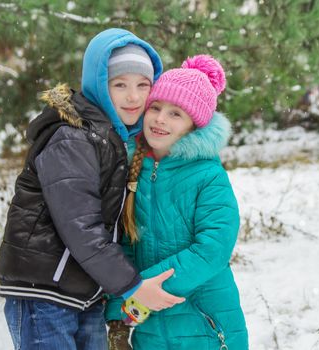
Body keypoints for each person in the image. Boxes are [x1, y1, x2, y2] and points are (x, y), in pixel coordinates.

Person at [0, 28, 184, 350]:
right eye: (119, 84)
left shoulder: (113, 139)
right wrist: (132, 285)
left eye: (143, 85)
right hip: (45, 291)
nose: (133, 97)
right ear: (98, 84)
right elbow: (80, 225)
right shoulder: (73, 137)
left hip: (84, 290)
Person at [105, 55, 249, 349]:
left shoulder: (208, 175)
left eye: (175, 114)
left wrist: (143, 290)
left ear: (193, 126)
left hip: (206, 324)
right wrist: (121, 306)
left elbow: (212, 250)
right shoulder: (132, 172)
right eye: (155, 108)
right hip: (152, 331)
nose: (160, 119)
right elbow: (126, 244)